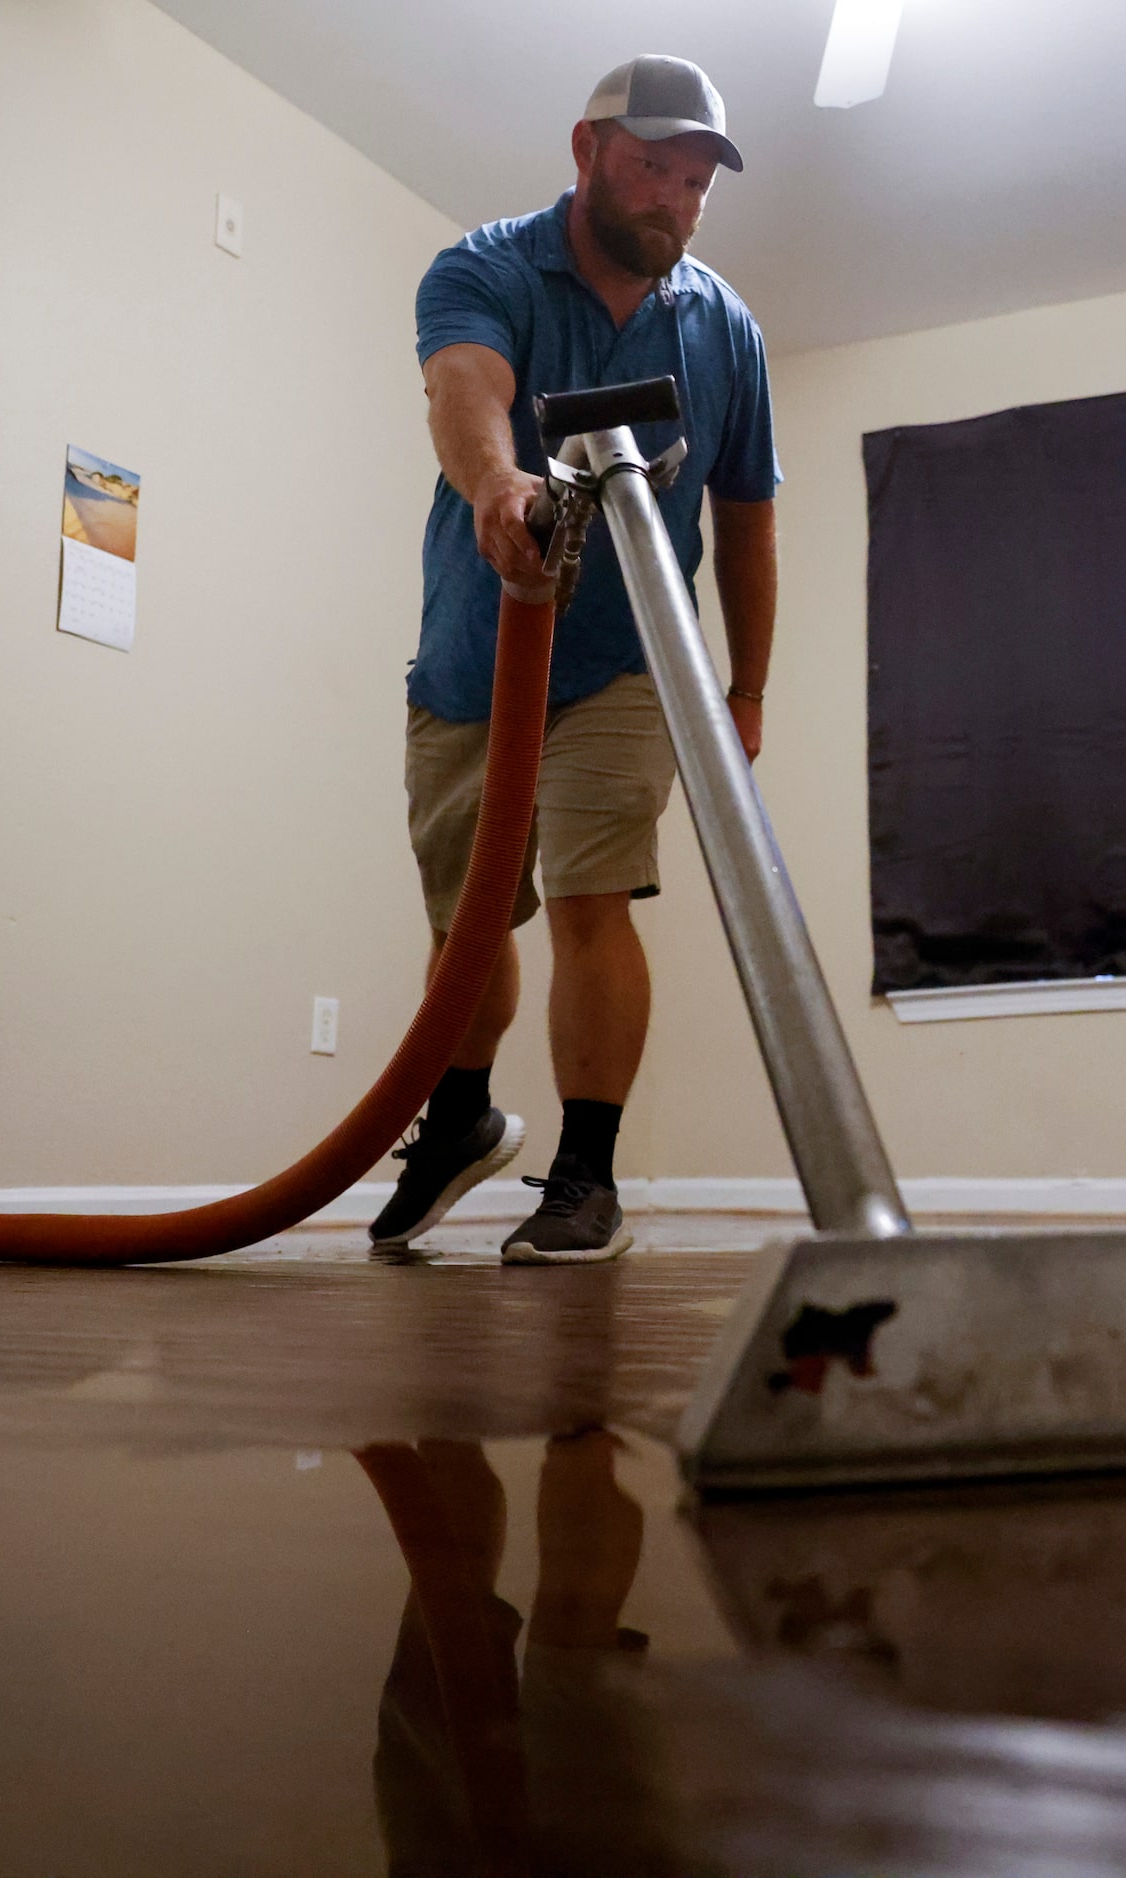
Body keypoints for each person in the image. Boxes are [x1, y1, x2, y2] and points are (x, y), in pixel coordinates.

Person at [373, 55, 779, 1266]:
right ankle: (459, 1121)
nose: (676, 200)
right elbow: (463, 385)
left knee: (593, 902)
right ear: (586, 149)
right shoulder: (485, 265)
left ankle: (585, 1178)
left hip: (625, 658)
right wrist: (497, 483)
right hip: (473, 647)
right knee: (467, 919)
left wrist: (746, 688)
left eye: (698, 181)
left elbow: (748, 516)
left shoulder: (723, 328)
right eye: (655, 166)